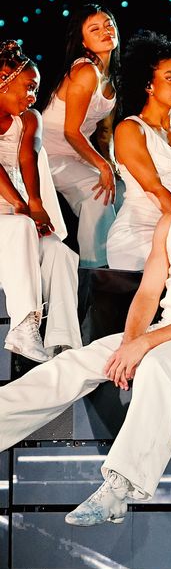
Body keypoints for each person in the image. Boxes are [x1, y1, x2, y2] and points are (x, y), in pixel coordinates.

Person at [0, 142, 171, 525]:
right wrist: (129, 344)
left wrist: (144, 345)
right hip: (163, 331)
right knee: (77, 361)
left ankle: (120, 487)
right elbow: (147, 292)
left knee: (156, 364)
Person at [0, 41, 82, 361]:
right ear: (3, 78)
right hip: (10, 220)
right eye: (29, 87)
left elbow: (28, 158)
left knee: (60, 254)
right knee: (21, 227)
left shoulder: (29, 119)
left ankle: (63, 344)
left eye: (36, 89)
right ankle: (23, 327)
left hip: (17, 220)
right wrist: (23, 208)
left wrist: (36, 204)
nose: (34, 96)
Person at [106, 31, 171, 271]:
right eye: (170, 78)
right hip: (136, 235)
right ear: (148, 84)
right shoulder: (130, 129)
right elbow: (155, 189)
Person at [41, 2, 122, 267]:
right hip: (46, 151)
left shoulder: (113, 76)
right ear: (84, 42)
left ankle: (125, 261)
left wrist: (110, 163)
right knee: (97, 193)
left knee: (123, 190)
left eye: (108, 24)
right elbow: (71, 131)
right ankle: (95, 270)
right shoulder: (86, 71)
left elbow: (106, 132)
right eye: (94, 28)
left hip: (75, 150)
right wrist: (100, 166)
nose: (105, 31)